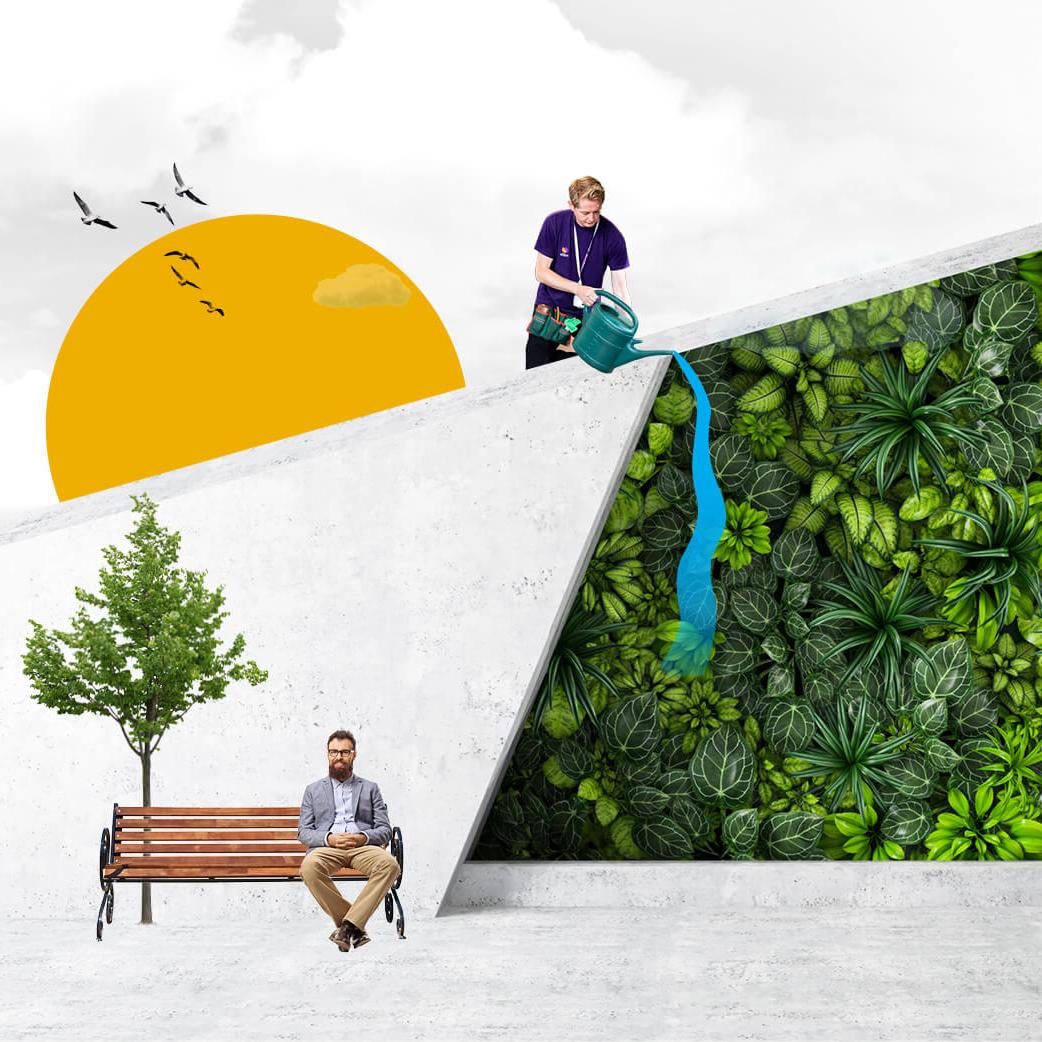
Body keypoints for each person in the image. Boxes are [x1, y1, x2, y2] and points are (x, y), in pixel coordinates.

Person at [298, 729, 400, 952]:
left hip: (362, 847)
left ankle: (346, 928)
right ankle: (354, 927)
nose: (339, 757)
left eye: (345, 752)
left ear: (354, 755)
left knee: (390, 865)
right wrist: (330, 839)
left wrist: (362, 837)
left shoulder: (370, 788)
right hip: (328, 847)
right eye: (333, 752)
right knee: (309, 867)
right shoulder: (313, 790)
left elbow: (384, 829)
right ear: (327, 755)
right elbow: (304, 832)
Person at [525, 175, 631, 370]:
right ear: (571, 205)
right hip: (550, 311)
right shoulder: (554, 223)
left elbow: (621, 289)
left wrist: (625, 329)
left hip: (587, 317)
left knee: (579, 378)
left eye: (596, 212)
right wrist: (578, 289)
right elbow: (541, 272)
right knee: (535, 376)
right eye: (585, 212)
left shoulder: (613, 236)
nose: (591, 218)